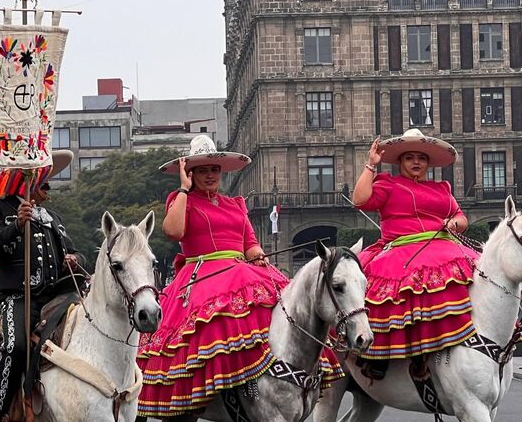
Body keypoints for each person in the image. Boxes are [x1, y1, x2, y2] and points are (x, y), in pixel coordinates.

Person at [137, 135, 344, 419]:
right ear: (191, 173)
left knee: (289, 311)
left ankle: (275, 383)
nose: (210, 175)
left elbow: (249, 242)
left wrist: (258, 254)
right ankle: (225, 393)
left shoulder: (235, 203)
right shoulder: (181, 199)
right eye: (202, 170)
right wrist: (184, 190)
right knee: (221, 327)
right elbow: (173, 231)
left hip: (243, 270)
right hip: (204, 273)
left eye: (214, 169)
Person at [352, 129, 479, 375]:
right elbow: (360, 200)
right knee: (392, 284)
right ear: (400, 161)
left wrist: (454, 224)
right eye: (409, 157)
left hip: (444, 244)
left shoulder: (442, 188)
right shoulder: (388, 183)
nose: (416, 162)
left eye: (421, 157)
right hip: (400, 247)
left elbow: (461, 217)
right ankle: (378, 355)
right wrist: (370, 165)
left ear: (428, 162)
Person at [0, 150, 85, 421]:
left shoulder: (53, 218)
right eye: (43, 180)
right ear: (26, 182)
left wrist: (74, 260)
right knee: (16, 347)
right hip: (19, 296)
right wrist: (17, 225)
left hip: (58, 295)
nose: (48, 186)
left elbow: (78, 253)